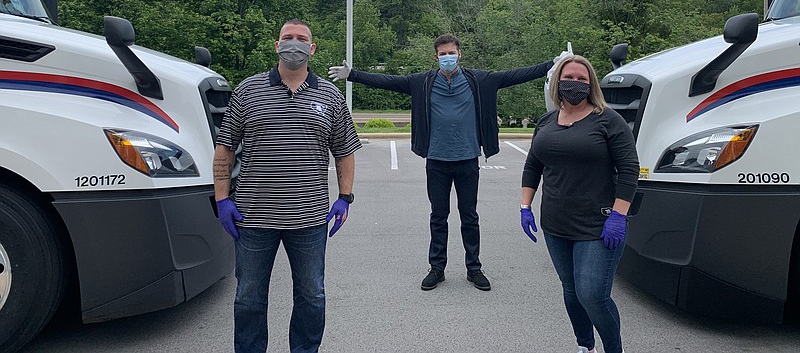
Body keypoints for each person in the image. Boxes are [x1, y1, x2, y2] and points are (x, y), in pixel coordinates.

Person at [329, 34, 561, 292]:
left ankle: (474, 269)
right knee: (438, 217)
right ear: (436, 57)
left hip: (468, 160)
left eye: (452, 53)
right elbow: (388, 81)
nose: (447, 58)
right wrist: (352, 75)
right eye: (442, 54)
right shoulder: (422, 82)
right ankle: (437, 269)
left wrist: (551, 64)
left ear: (459, 54)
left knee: (469, 216)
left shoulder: (479, 80)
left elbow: (515, 75)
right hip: (436, 161)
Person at [214, 19, 361, 353]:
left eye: (301, 39)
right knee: (249, 298)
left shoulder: (331, 96)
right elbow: (225, 147)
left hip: (309, 219)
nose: (293, 43)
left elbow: (344, 151)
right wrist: (222, 198)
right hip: (253, 218)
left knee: (312, 296)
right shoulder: (248, 90)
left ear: (312, 49)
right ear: (276, 45)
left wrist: (345, 197)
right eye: (287, 38)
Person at [520, 54, 639, 353]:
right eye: (569, 78)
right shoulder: (546, 121)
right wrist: (525, 206)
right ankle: (585, 346)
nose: (575, 84)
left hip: (598, 224)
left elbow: (629, 169)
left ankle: (614, 349)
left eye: (582, 79)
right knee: (572, 292)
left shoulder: (608, 120)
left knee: (592, 295)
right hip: (556, 224)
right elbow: (533, 165)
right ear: (558, 82)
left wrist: (618, 215)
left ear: (592, 84)